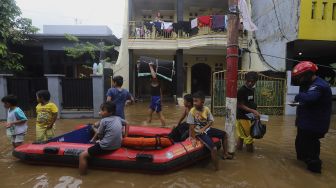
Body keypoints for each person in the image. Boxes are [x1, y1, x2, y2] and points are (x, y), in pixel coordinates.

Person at [290, 61, 332, 173]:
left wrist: (298, 97)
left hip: (314, 124)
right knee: (300, 145)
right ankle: (301, 173)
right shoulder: (307, 84)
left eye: (300, 77)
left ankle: (314, 173)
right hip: (305, 123)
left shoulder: (319, 85)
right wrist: (297, 102)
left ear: (308, 75)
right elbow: (308, 102)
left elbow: (310, 98)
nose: (299, 80)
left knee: (311, 151)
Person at [187, 91, 232, 171]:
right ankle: (217, 170)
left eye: (196, 101)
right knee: (214, 148)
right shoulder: (192, 111)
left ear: (202, 102)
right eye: (193, 101)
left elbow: (211, 121)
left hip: (207, 129)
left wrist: (204, 128)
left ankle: (225, 154)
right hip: (199, 133)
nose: (194, 103)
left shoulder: (206, 109)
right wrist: (193, 138)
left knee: (224, 134)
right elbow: (191, 127)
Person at [79, 101, 123, 175]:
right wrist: (125, 136)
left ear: (110, 112)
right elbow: (127, 123)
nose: (100, 112)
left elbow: (99, 134)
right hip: (118, 145)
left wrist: (93, 140)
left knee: (82, 155)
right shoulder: (118, 118)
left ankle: (82, 177)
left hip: (106, 146)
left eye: (102, 110)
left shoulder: (103, 120)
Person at [236, 71, 260, 152]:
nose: (250, 83)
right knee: (249, 138)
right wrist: (252, 110)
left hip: (248, 116)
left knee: (242, 137)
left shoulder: (251, 90)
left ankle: (239, 154)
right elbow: (239, 105)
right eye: (248, 81)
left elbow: (250, 102)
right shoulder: (242, 90)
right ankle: (251, 158)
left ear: (255, 81)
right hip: (242, 117)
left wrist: (254, 112)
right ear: (245, 80)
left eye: (252, 82)